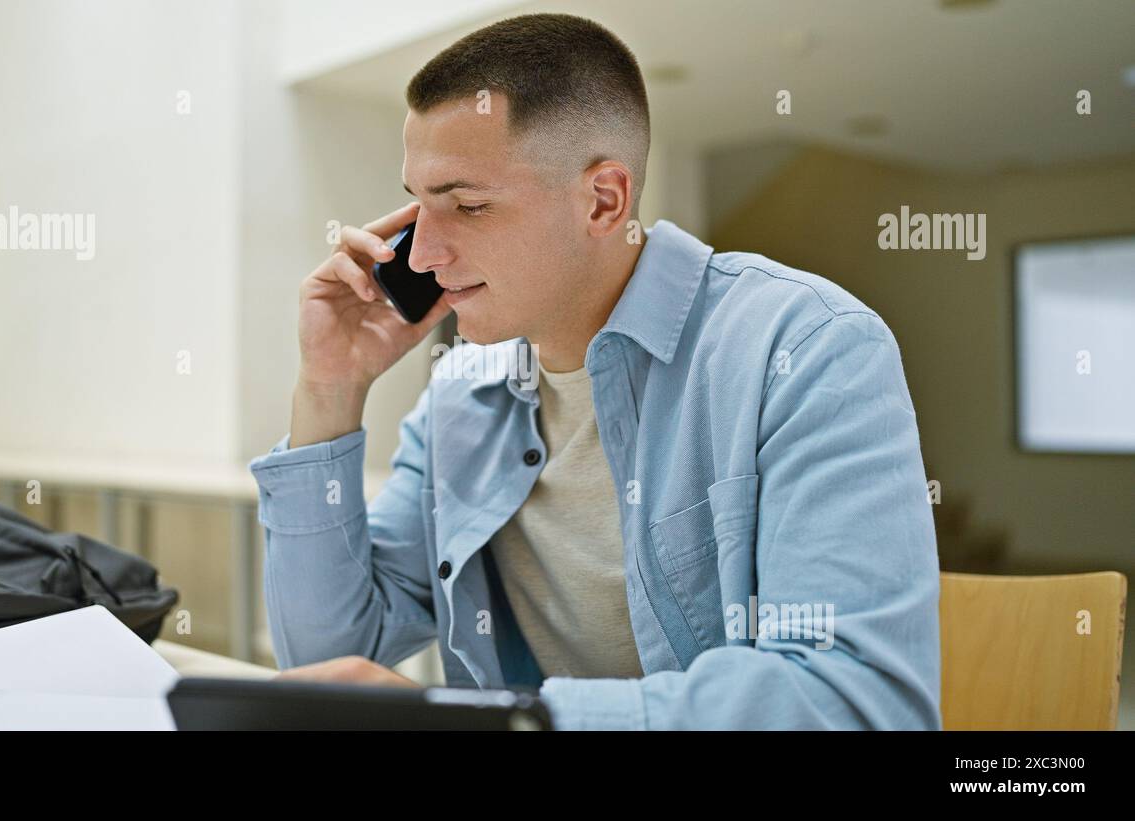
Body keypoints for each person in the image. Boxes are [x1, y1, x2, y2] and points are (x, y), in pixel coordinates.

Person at [248, 12, 941, 730]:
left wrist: (508, 722)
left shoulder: (808, 349)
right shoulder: (460, 395)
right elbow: (326, 662)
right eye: (419, 207)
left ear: (603, 200)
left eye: (468, 204)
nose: (420, 256)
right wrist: (331, 387)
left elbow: (855, 706)